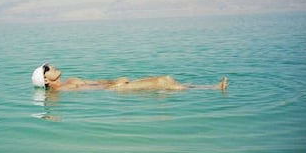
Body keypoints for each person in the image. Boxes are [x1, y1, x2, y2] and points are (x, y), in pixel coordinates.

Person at [32, 63, 228, 92]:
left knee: (165, 79)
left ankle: (208, 87)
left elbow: (95, 82)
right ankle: (213, 88)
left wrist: (113, 79)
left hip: (111, 87)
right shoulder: (58, 91)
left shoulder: (70, 80)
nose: (52, 65)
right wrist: (114, 85)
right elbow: (90, 89)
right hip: (112, 92)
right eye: (47, 68)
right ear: (46, 80)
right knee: (161, 82)